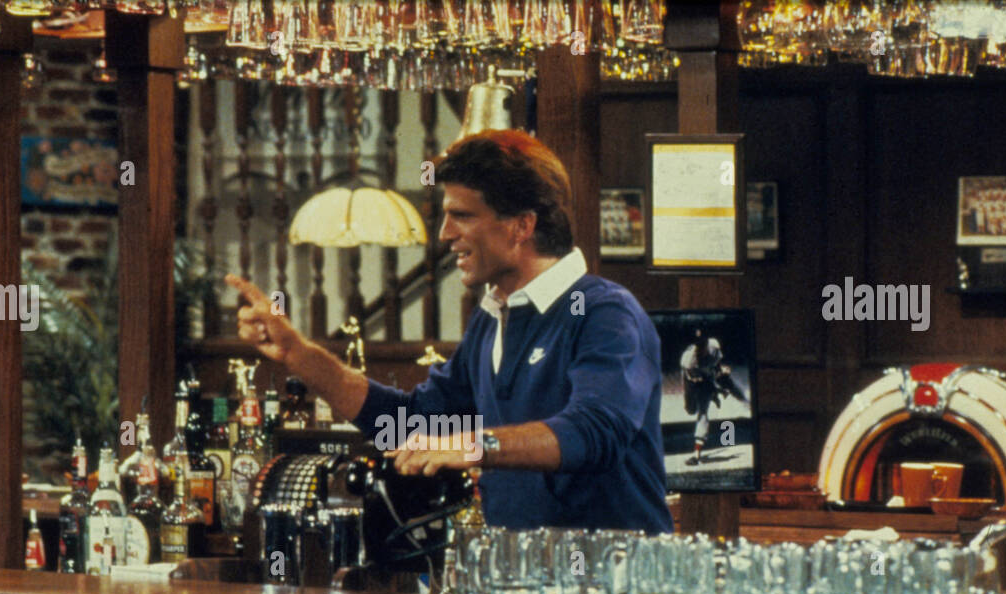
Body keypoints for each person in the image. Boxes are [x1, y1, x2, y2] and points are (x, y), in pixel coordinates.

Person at [226, 129, 672, 534]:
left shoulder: (606, 313)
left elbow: (594, 433)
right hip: (521, 586)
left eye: (463, 215)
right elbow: (408, 425)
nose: (445, 233)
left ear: (522, 225)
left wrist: (476, 445)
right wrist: (299, 355)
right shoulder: (492, 319)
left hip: (614, 589)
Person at [680, 329, 745, 466]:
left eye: (703, 344)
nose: (701, 348)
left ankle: (696, 455)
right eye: (698, 345)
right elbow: (696, 380)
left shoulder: (714, 345)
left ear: (706, 342)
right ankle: (714, 395)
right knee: (690, 410)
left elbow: (716, 363)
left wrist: (720, 374)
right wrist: (715, 390)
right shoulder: (689, 360)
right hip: (692, 381)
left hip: (707, 378)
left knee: (703, 413)